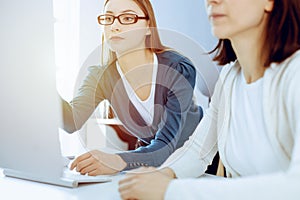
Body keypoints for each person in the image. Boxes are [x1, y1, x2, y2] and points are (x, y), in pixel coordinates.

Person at [118, 0, 300, 199]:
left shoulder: (294, 75)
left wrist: (169, 190)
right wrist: (162, 175)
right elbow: (198, 150)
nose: (213, 1)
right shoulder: (230, 77)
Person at [61, 0, 203, 175]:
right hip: (150, 163)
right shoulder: (101, 77)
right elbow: (71, 121)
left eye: (128, 18)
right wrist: (39, 86)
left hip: (196, 159)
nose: (115, 26)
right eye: (108, 18)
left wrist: (117, 160)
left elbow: (166, 146)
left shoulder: (177, 68)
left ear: (148, 25)